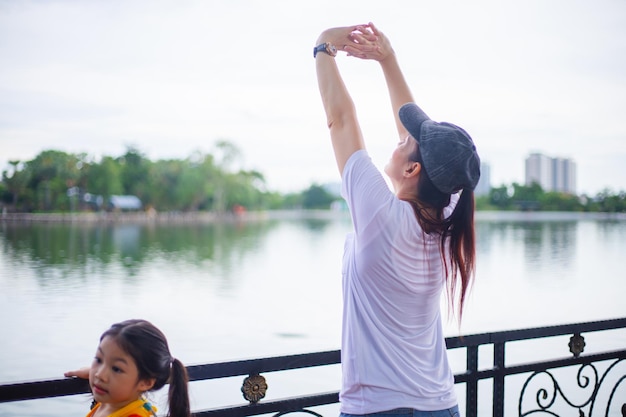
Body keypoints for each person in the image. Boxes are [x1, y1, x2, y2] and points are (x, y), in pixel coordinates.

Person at [314, 22, 480, 416]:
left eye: (406, 141)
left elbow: (341, 119)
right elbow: (421, 147)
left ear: (412, 171)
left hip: (377, 408)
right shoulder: (449, 214)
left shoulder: (380, 215)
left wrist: (323, 46)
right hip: (440, 404)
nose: (400, 137)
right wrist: (386, 59)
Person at [64, 319, 191, 417]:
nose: (99, 375)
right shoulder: (113, 402)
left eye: (116, 369)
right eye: (99, 360)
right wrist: (94, 370)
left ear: (145, 382)